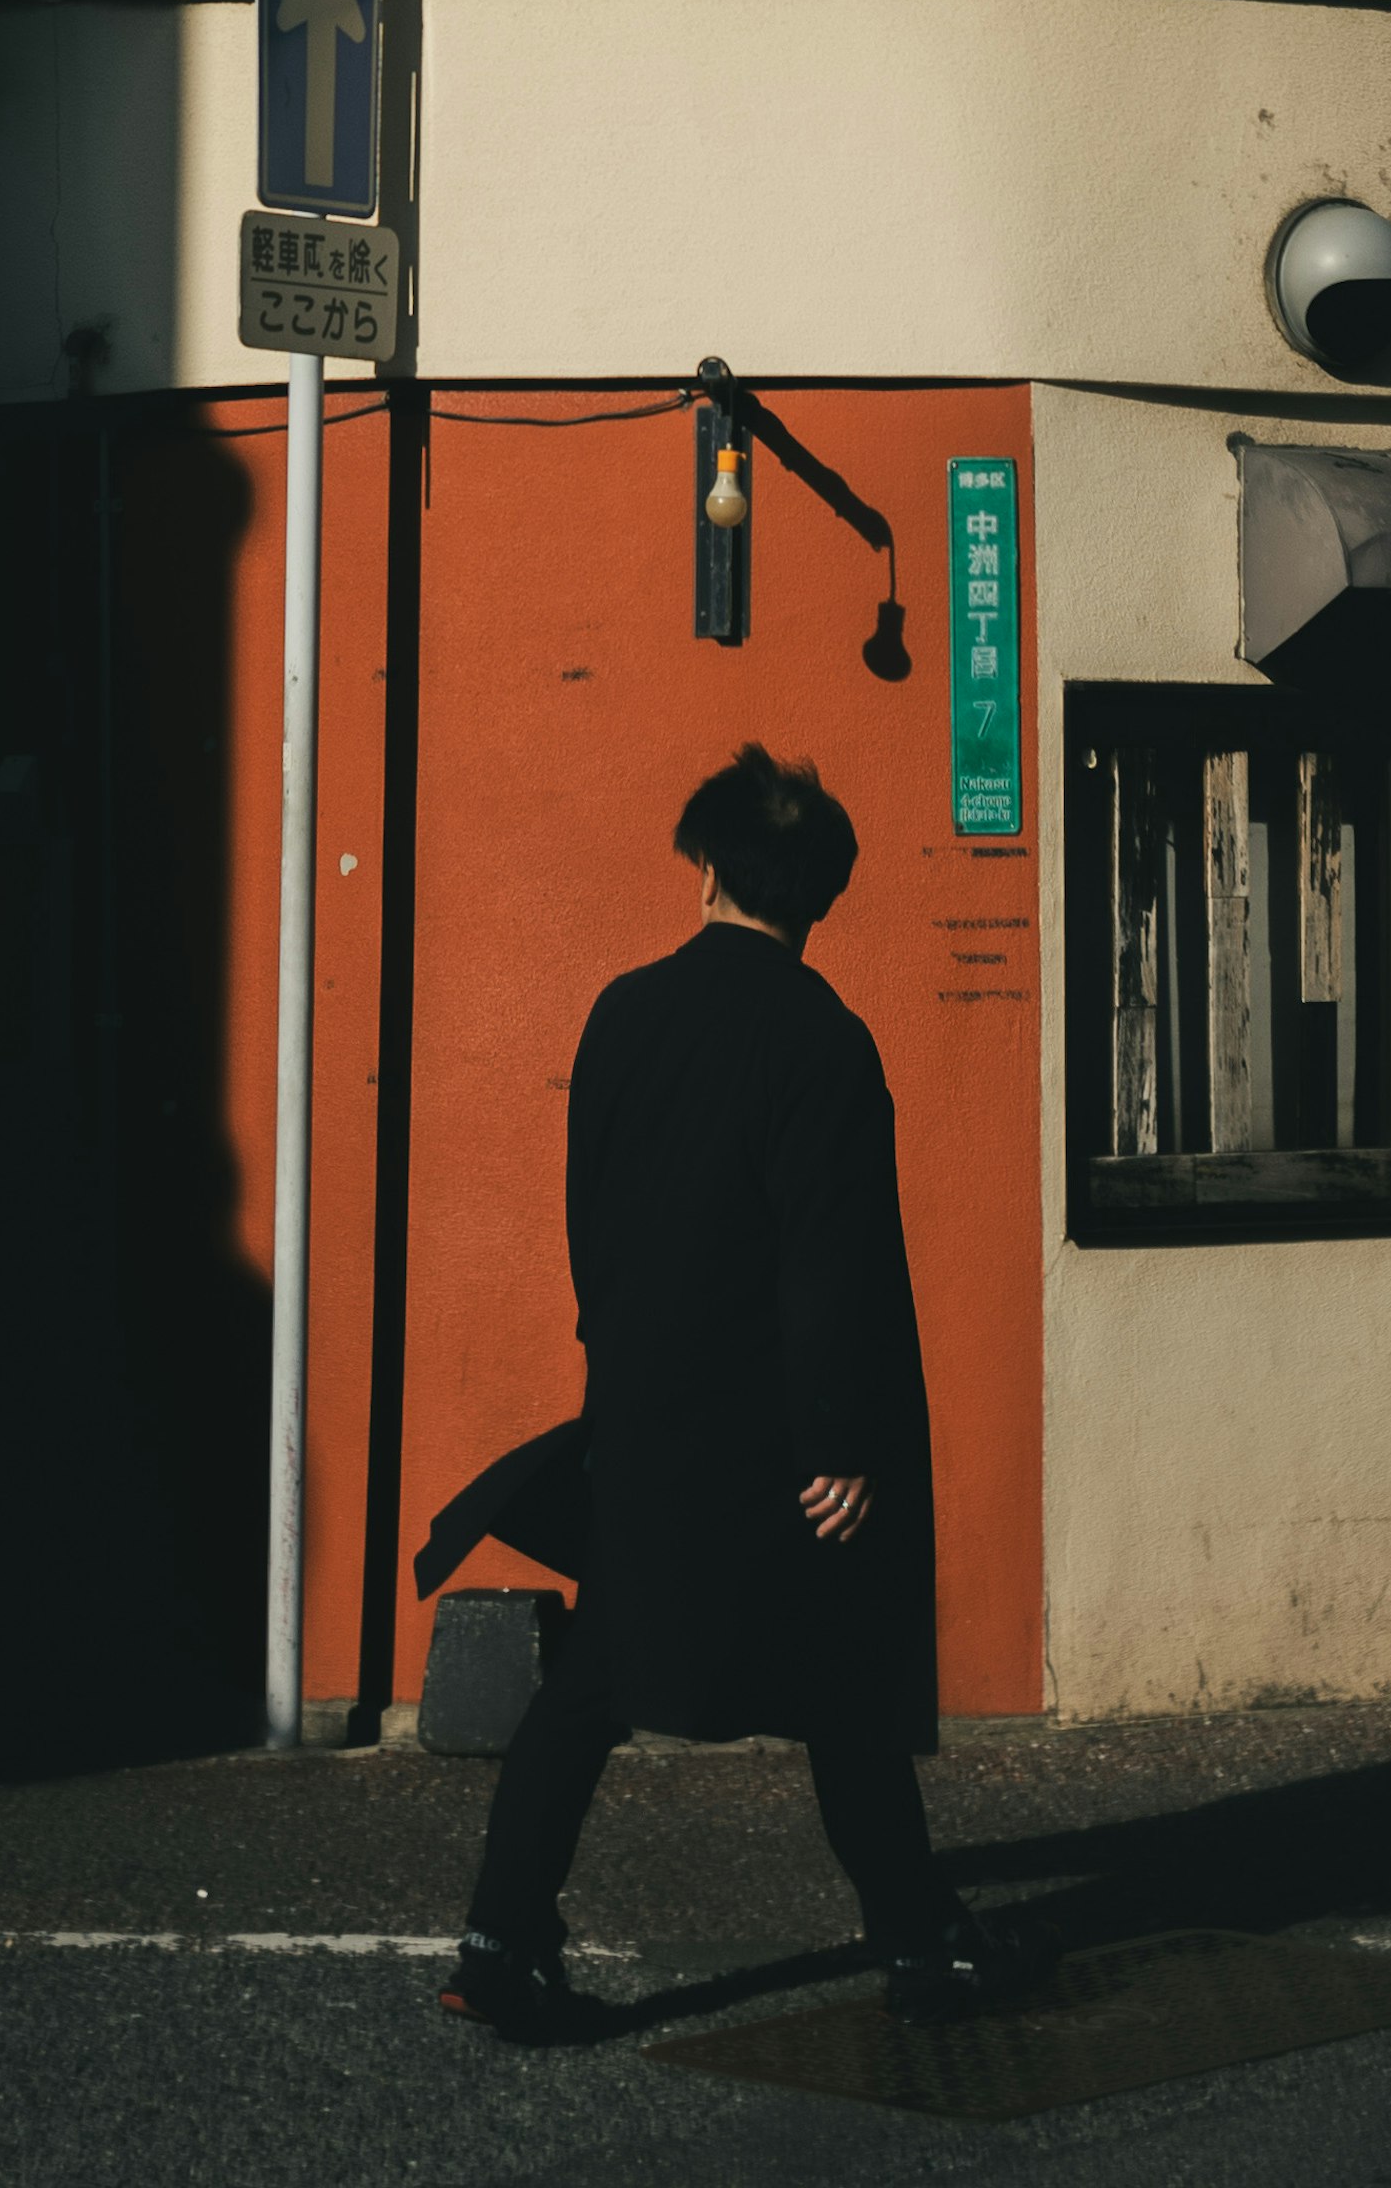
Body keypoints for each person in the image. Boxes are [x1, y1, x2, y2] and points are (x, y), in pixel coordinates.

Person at [438, 745, 1007, 2040]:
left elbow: (586, 1220)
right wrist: (841, 1442)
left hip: (640, 1422)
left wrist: (618, 1361)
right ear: (816, 901)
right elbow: (830, 1266)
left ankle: (497, 1940)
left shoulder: (621, 1014)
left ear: (707, 876)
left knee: (586, 1688)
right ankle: (919, 1945)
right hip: (774, 1446)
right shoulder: (828, 1045)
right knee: (844, 1691)